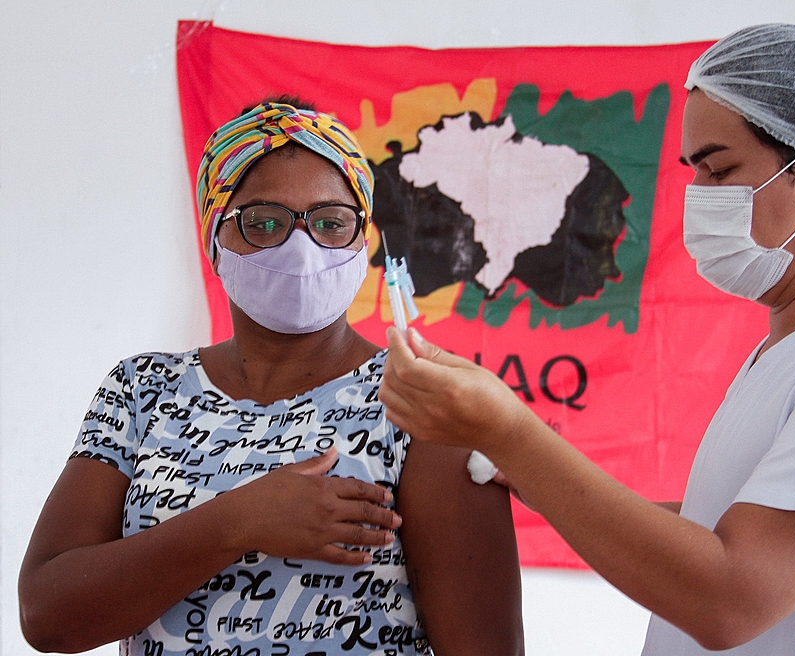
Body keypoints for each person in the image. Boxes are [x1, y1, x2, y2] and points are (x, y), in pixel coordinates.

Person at [18, 98, 524, 656]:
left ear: (363, 240)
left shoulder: (422, 400)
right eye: (264, 222)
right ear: (215, 236)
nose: (302, 248)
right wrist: (240, 520)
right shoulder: (143, 390)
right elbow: (48, 616)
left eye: (332, 222)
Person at [379, 23, 795, 656]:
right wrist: (536, 467)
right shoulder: (779, 351)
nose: (699, 200)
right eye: (694, 175)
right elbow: (718, 528)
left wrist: (511, 435)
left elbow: (728, 597)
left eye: (720, 170)